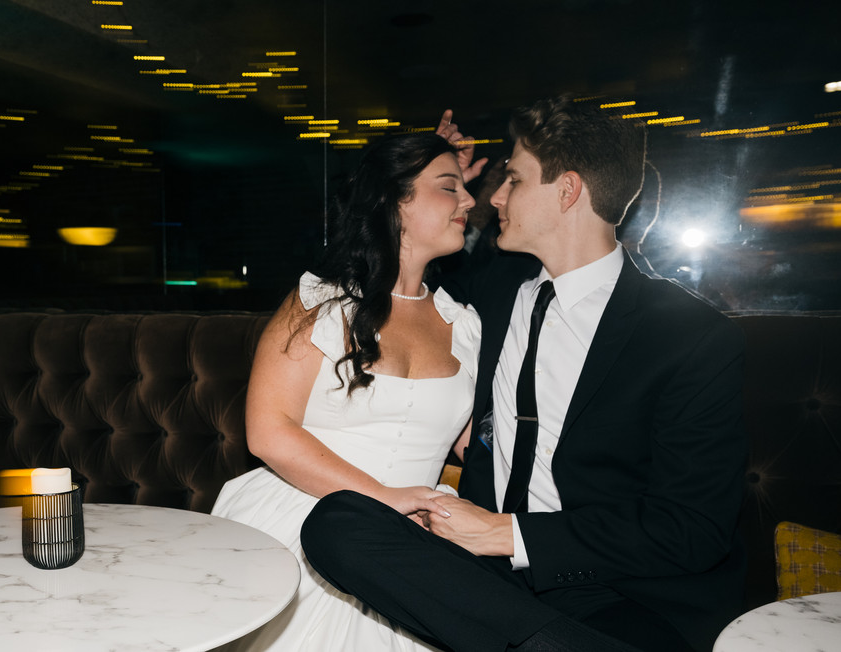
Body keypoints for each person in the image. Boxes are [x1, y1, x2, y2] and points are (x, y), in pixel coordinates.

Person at [301, 96, 747, 652]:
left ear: (568, 190)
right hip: (486, 578)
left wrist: (506, 533)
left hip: (618, 591)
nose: (495, 196)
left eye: (512, 179)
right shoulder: (486, 293)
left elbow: (691, 529)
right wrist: (436, 183)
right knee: (337, 524)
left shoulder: (690, 336)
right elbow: (376, 272)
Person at [211, 131, 484, 651]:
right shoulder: (319, 302)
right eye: (450, 187)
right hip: (303, 520)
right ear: (394, 200)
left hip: (418, 539)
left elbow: (480, 448)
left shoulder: (464, 324)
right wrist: (384, 501)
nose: (469, 199)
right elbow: (268, 432)